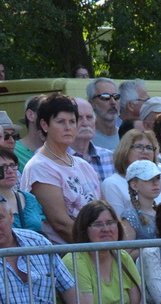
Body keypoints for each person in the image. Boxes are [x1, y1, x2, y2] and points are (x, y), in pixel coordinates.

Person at [22, 96, 101, 244]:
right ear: (44, 125)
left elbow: (102, 210)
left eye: (72, 121)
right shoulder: (39, 167)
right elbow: (61, 224)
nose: (68, 127)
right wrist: (97, 247)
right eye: (60, 121)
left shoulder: (83, 164)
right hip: (67, 253)